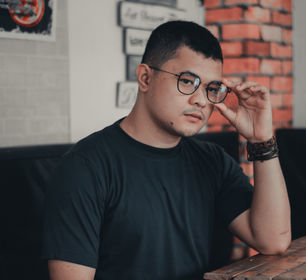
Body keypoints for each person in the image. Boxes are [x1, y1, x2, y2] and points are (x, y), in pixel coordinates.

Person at [42, 20, 291, 280]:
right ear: (145, 78)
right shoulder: (85, 168)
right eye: (187, 81)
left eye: (211, 88)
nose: (201, 100)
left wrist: (260, 140)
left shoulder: (212, 161)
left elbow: (274, 240)